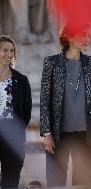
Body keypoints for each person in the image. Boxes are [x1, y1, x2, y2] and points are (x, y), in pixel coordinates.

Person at [40, 25, 91, 186]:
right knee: (56, 181)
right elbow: (44, 100)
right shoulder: (51, 63)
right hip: (57, 133)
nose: (87, 39)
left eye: (88, 35)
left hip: (85, 133)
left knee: (83, 181)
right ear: (68, 37)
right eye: (82, 34)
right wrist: (46, 133)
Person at [0, 35, 32, 188]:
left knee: (11, 181)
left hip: (13, 138)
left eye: (12, 51)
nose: (9, 54)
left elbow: (26, 111)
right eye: (4, 50)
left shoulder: (22, 80)